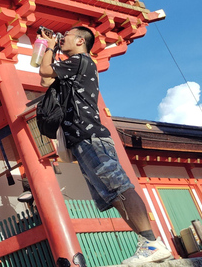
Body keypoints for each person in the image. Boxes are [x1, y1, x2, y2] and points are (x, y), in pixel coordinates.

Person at [38, 26, 173, 265]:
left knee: (119, 187)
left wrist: (49, 47)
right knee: (113, 194)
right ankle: (148, 244)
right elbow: (46, 77)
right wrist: (50, 49)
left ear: (80, 41)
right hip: (84, 139)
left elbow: (44, 69)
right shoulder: (75, 66)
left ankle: (152, 243)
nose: (62, 38)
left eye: (66, 35)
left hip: (90, 136)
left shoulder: (81, 59)